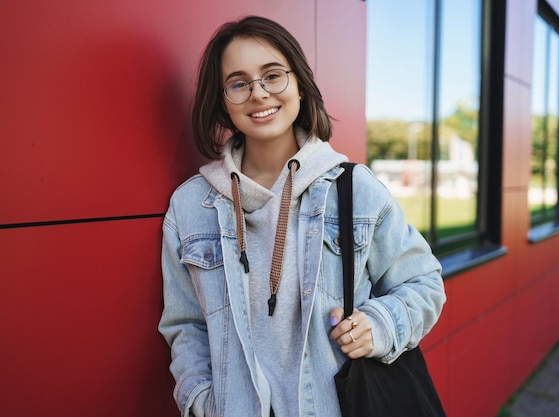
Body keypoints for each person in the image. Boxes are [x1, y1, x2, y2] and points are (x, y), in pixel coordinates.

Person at [158, 15, 446, 417]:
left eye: (272, 75)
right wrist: (203, 400)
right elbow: (185, 325)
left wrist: (378, 325)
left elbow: (424, 283)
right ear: (222, 100)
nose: (258, 93)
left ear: (299, 83)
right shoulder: (189, 207)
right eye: (238, 83)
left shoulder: (355, 190)